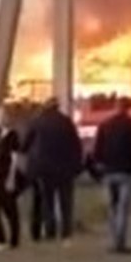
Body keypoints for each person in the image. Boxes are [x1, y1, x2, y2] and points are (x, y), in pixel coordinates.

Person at [91, 97, 131, 255]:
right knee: (123, 208)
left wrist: (98, 167)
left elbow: (96, 151)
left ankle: (113, 240)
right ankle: (120, 243)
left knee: (112, 208)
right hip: (127, 172)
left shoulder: (104, 125)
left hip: (109, 172)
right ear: (127, 109)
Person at [24, 97, 84, 241]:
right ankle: (66, 231)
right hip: (65, 168)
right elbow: (76, 145)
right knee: (65, 201)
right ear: (57, 107)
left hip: (44, 168)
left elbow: (25, 144)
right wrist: (77, 165)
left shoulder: (37, 122)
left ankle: (50, 230)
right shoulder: (66, 122)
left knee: (47, 200)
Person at [0, 107, 24, 254]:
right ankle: (7, 240)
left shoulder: (12, 136)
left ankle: (6, 241)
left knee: (2, 209)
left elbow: (15, 159)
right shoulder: (0, 135)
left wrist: (11, 178)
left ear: (7, 118)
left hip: (6, 177)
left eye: (1, 116)